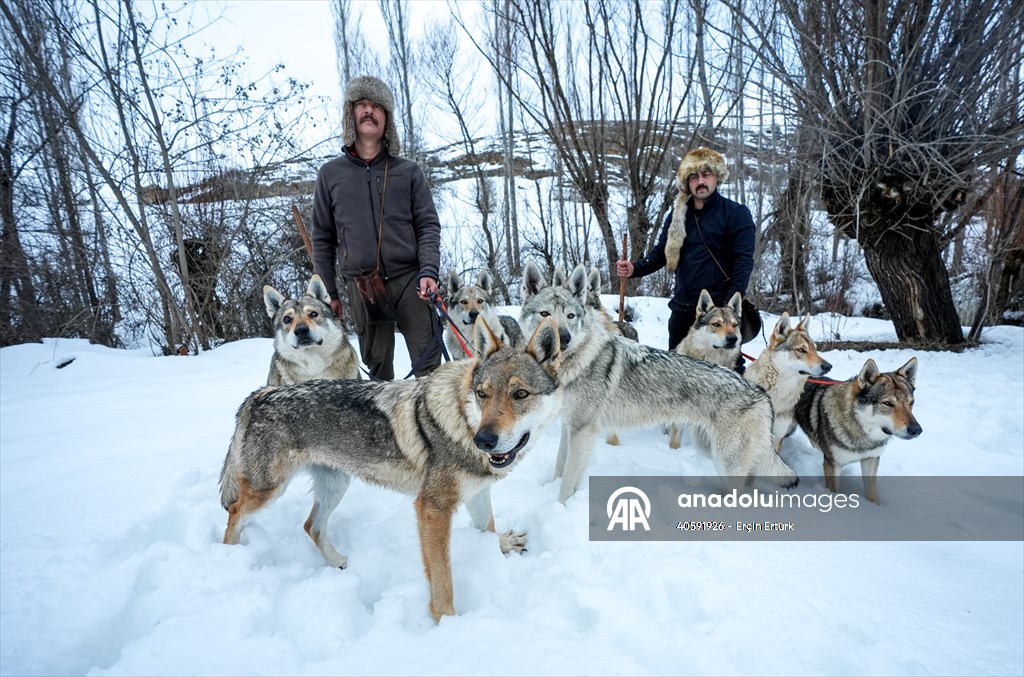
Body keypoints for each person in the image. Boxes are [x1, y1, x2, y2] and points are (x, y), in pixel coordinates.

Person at [312, 75, 442, 380]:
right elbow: (322, 238)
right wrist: (329, 293)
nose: (369, 111)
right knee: (378, 372)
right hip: (362, 285)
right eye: (361, 104)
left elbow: (428, 225)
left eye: (377, 106)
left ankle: (430, 427)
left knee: (429, 369)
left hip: (412, 282)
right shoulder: (330, 175)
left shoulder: (408, 172)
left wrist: (429, 272)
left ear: (387, 118)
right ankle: (385, 428)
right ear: (351, 114)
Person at [616, 147, 756, 352]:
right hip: (682, 310)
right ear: (686, 182)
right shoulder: (677, 215)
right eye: (693, 177)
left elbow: (743, 261)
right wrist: (634, 269)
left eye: (706, 175)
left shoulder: (736, 214)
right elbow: (661, 254)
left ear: (716, 177)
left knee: (723, 374)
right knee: (678, 374)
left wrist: (730, 304)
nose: (700, 181)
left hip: (718, 313)